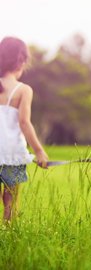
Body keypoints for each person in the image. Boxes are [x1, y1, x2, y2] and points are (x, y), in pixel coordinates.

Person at [0, 36, 48, 223]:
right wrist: (39, 151)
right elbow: (24, 123)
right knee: (10, 199)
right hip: (13, 155)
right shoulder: (23, 90)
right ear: (21, 62)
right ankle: (8, 231)